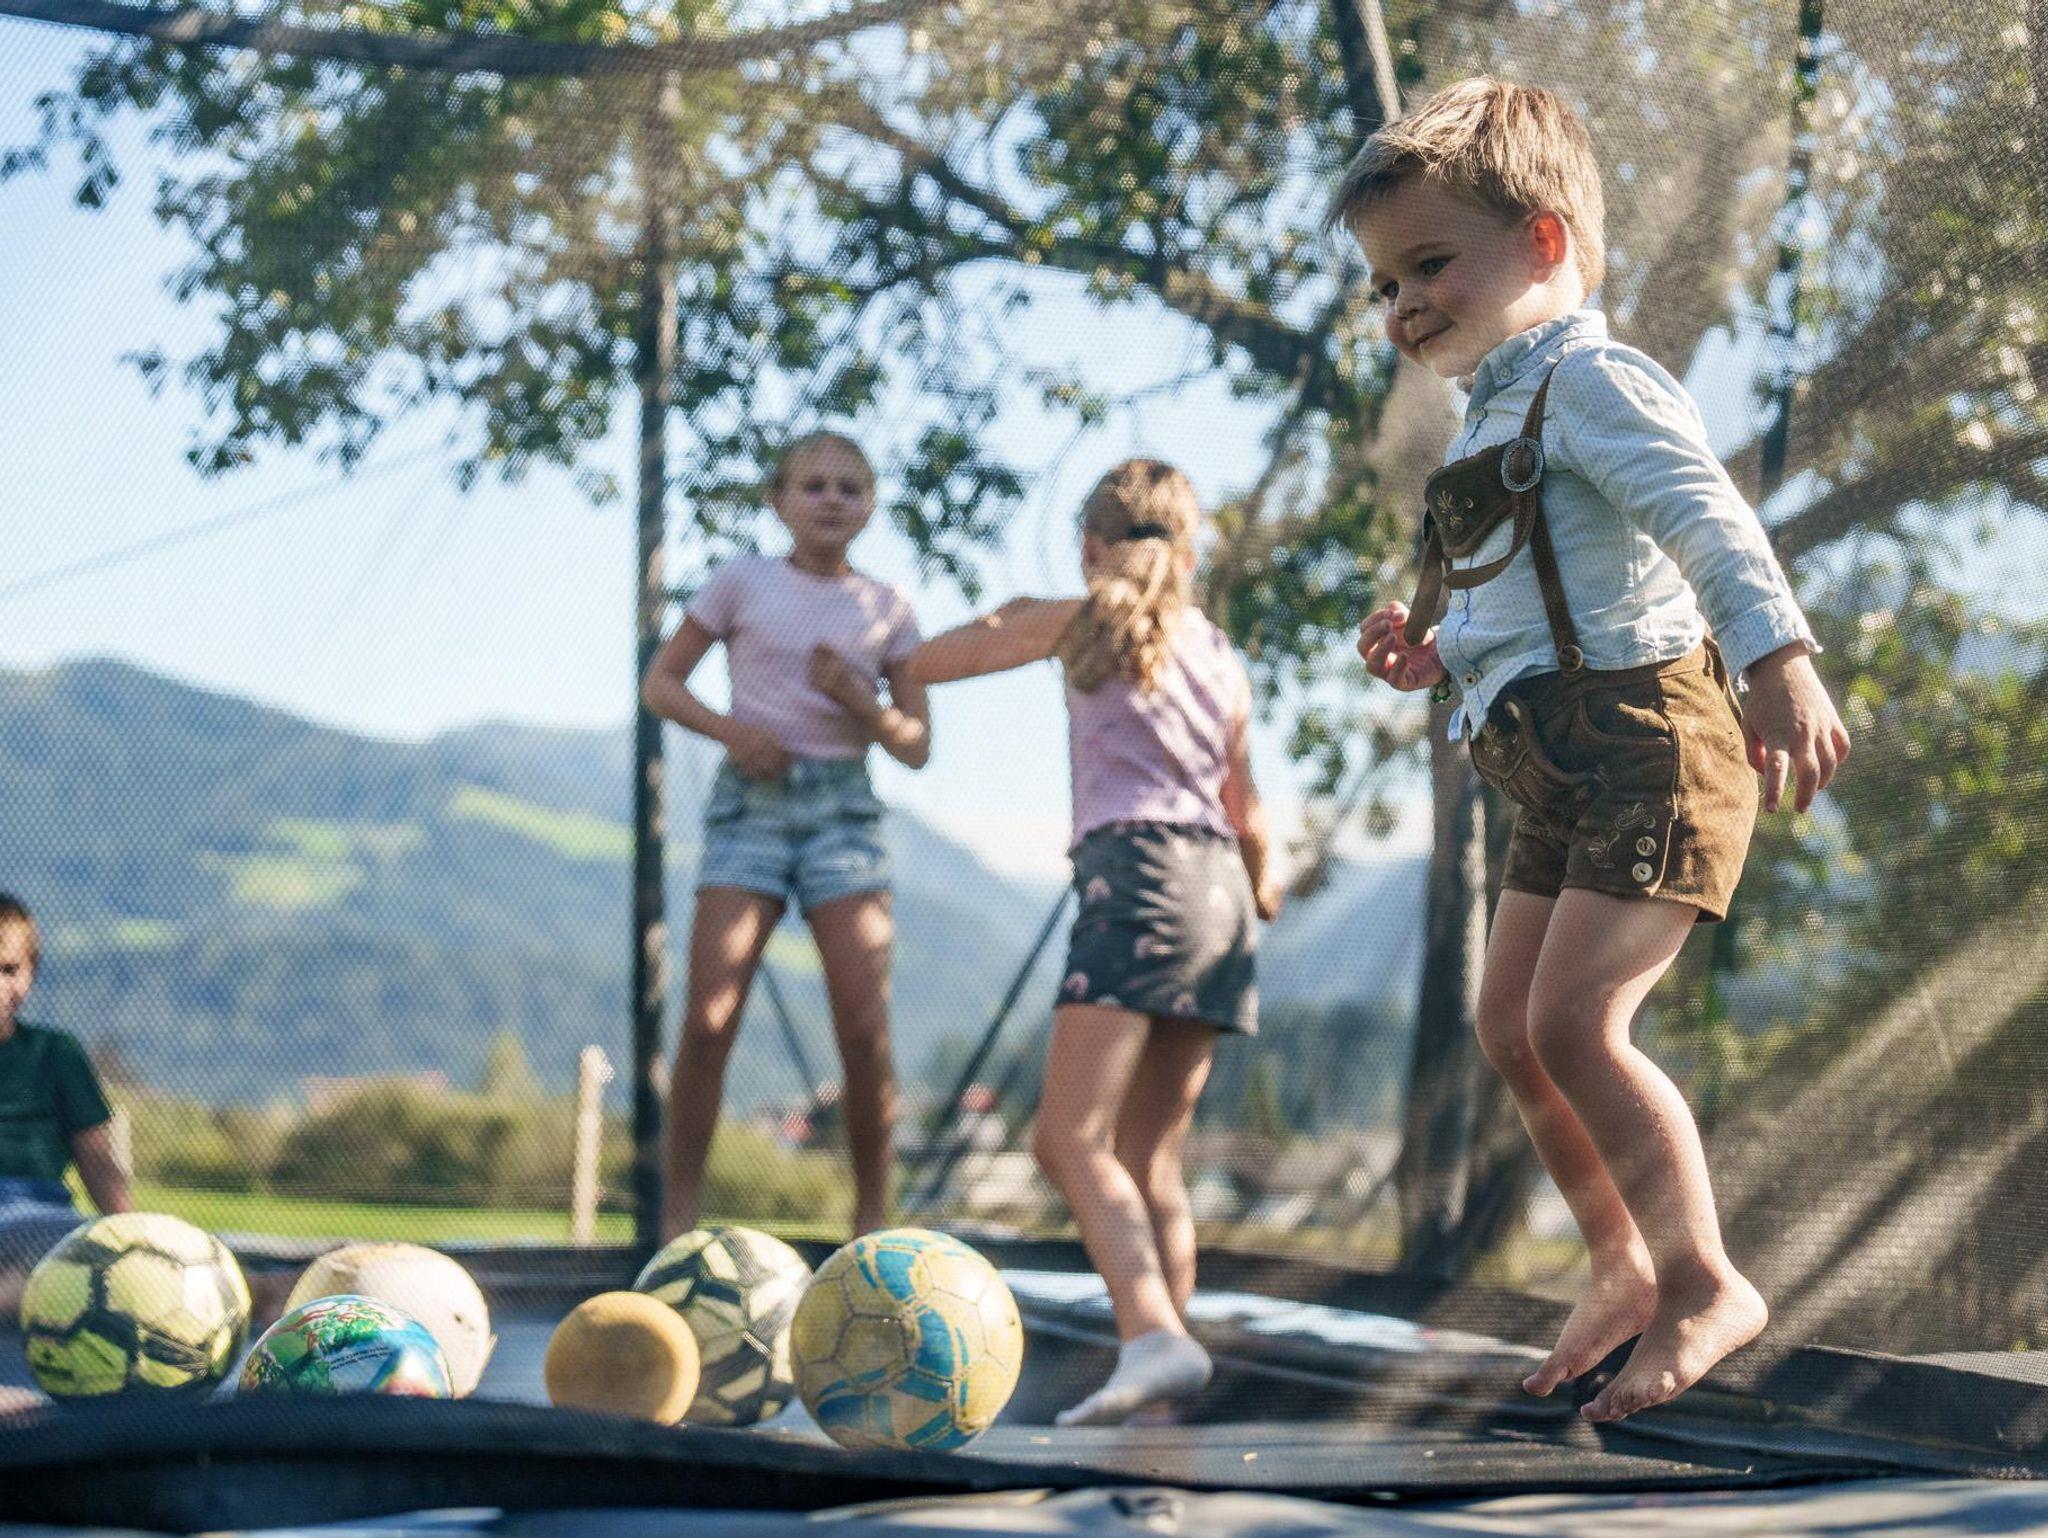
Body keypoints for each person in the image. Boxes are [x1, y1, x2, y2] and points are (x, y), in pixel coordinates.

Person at [1333, 78, 1851, 1422]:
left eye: (1429, 263)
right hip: (1553, 761)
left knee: (1574, 1019)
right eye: (1385, 284)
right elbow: (1529, 601)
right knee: (1510, 1025)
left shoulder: (1590, 379)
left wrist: (1776, 659)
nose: (1403, 304)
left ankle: (1701, 1279)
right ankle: (1619, 1261)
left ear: (1545, 242)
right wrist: (1434, 651)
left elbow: (1704, 516)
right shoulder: (1491, 416)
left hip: (1645, 742)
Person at [901, 459, 1283, 1427]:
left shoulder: (1081, 619)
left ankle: (1151, 1335)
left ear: (1089, 546)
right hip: (1221, 898)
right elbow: (1246, 807)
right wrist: (1264, 884)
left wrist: (881, 659)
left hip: (1137, 876)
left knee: (1067, 1136)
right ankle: (1164, 1363)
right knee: (1150, 1156)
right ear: (1188, 554)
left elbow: (940, 658)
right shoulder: (1216, 651)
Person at [642, 431, 929, 1240]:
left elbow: (916, 744)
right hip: (752, 805)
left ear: (870, 506)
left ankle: (871, 1220)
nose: (832, 499)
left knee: (863, 1028)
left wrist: (864, 703)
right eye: (814, 486)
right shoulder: (741, 581)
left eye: (850, 487)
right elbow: (662, 683)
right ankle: (676, 1222)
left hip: (844, 812)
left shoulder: (887, 608)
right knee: (708, 1018)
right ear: (779, 502)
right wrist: (734, 734)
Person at [0, 892, 132, 1316]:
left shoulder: (55, 1053)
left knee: (131, 1271)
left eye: (9, 969)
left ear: (32, 973)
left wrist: (133, 1238)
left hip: (38, 1214)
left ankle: (261, 1291)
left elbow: (96, 1159)